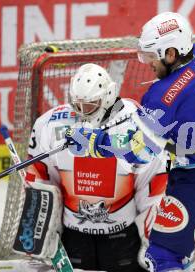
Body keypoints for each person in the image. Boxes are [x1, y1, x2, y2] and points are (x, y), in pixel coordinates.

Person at [65, 12, 195, 272]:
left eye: (151, 57)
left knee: (160, 257)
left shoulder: (161, 96)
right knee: (173, 252)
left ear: (170, 53)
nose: (148, 64)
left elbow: (140, 153)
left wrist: (95, 143)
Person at [26, 63, 168, 271]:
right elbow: (42, 180)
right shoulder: (48, 124)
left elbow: (152, 185)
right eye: (77, 104)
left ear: (107, 96)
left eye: (90, 104)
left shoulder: (136, 121)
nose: (82, 111)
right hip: (73, 236)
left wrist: (153, 242)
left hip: (122, 239)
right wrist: (43, 229)